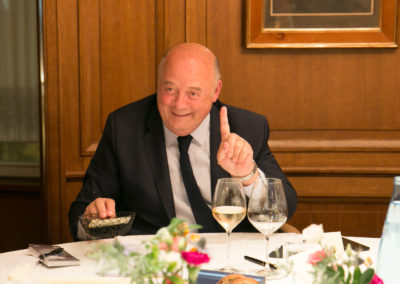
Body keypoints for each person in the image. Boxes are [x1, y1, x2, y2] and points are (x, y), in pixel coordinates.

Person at [68, 42, 297, 240]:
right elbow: (81, 211)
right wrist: (93, 218)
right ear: (158, 85)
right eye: (170, 89)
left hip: (231, 256)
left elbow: (284, 207)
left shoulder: (247, 127)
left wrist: (248, 176)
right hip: (156, 262)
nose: (179, 105)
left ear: (215, 91)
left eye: (193, 93)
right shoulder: (124, 127)